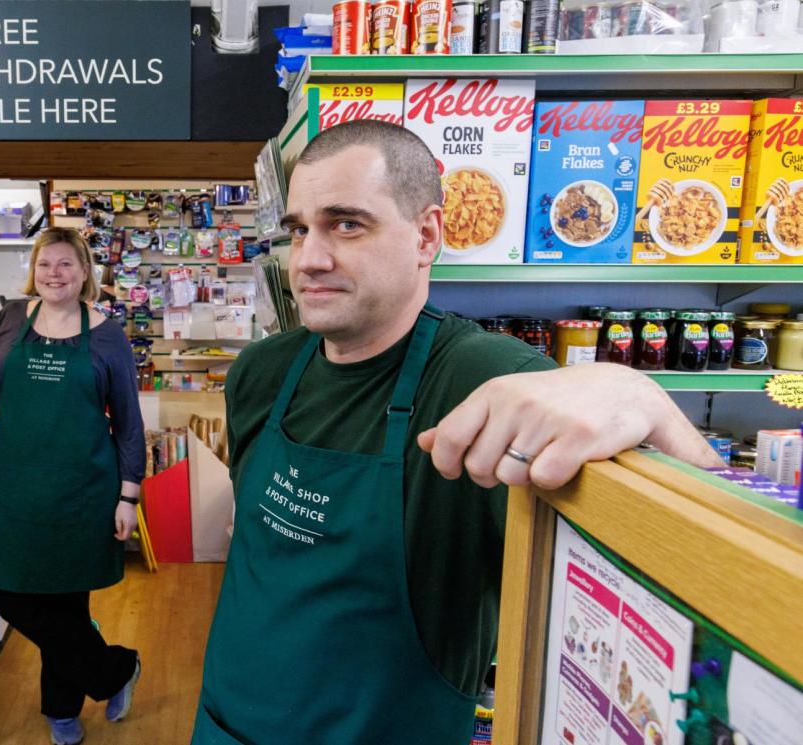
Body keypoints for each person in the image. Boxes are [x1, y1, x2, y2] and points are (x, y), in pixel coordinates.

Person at [191, 120, 721, 744]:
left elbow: (712, 556)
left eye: (347, 224)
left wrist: (640, 395)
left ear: (426, 236)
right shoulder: (261, 372)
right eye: (300, 229)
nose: (309, 259)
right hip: (224, 721)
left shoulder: (486, 378)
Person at [0, 227, 144, 745]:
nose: (54, 274)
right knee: (17, 601)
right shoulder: (11, 320)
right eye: (45, 264)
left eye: (66, 264)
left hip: (84, 487)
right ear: (33, 271)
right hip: (16, 483)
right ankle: (114, 670)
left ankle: (61, 712)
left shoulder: (108, 335)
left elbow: (128, 423)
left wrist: (129, 496)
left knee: (66, 605)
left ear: (85, 272)